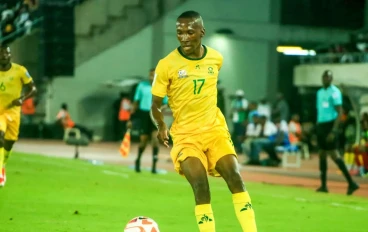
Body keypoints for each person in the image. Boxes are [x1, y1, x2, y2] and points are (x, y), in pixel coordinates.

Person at [150, 11, 257, 232]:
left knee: (235, 178)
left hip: (214, 130)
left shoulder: (216, 59)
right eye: (179, 32)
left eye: (190, 31)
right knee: (200, 186)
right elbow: (155, 105)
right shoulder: (166, 65)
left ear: (202, 32)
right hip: (186, 136)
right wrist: (161, 124)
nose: (184, 37)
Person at [316, 70, 359, 195]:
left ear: (331, 79)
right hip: (321, 125)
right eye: (324, 77)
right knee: (322, 154)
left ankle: (351, 183)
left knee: (334, 154)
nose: (326, 79)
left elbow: (339, 112)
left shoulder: (335, 92)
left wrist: (334, 130)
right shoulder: (319, 92)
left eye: (328, 77)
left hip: (330, 125)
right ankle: (323, 185)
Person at [0, 44, 37, 187]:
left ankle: (3, 164)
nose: (3, 56)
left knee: (10, 141)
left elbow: (33, 88)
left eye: (6, 53)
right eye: (1, 54)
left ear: (10, 55)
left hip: (13, 112)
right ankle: (0, 173)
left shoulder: (20, 71)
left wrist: (22, 99)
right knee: (0, 136)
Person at [128, 68, 168, 174]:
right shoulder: (142, 86)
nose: (152, 77)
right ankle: (138, 160)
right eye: (150, 75)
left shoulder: (162, 88)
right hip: (144, 115)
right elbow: (136, 102)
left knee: (155, 141)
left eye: (154, 75)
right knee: (143, 142)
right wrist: (130, 119)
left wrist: (161, 108)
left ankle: (154, 166)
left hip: (155, 116)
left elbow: (166, 102)